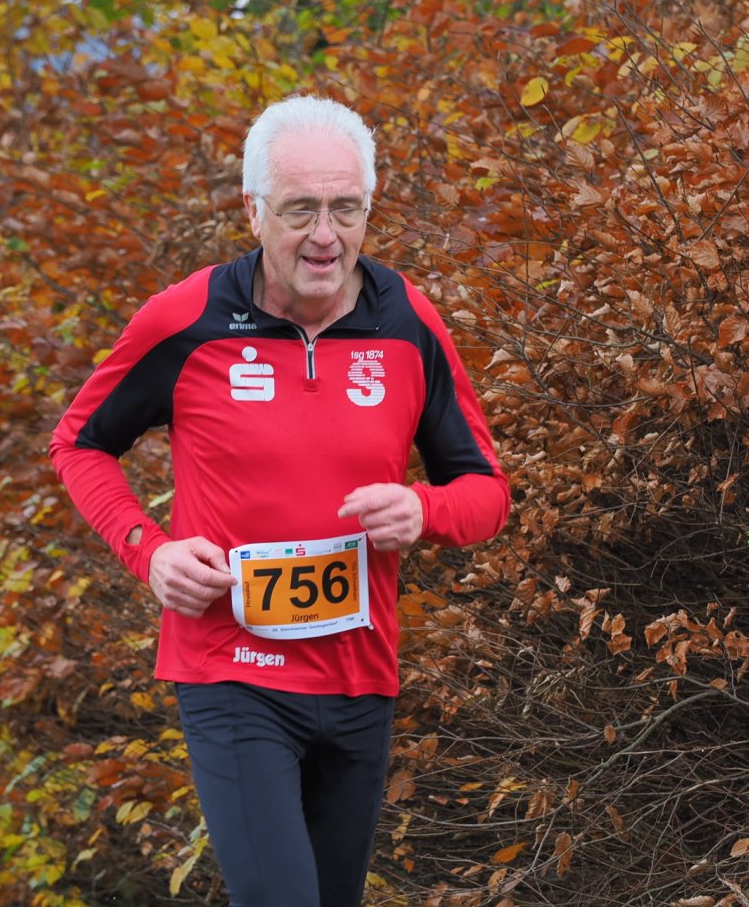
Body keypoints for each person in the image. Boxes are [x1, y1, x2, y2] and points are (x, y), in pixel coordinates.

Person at [48, 94, 509, 906]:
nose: (325, 235)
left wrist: (424, 512)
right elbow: (79, 444)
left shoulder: (407, 323)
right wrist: (148, 551)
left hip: (360, 680)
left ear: (369, 208)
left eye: (346, 209)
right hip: (232, 670)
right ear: (254, 211)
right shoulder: (187, 320)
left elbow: (486, 493)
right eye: (301, 210)